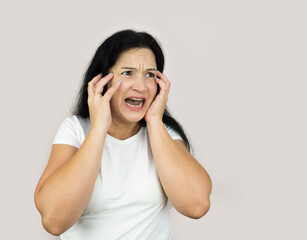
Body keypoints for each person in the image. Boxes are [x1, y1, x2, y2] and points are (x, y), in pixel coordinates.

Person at [34, 29, 212, 239]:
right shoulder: (75, 129)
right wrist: (99, 128)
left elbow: (197, 205)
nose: (141, 86)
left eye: (150, 75)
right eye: (127, 73)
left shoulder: (165, 134)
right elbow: (54, 221)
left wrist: (154, 120)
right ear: (103, 80)